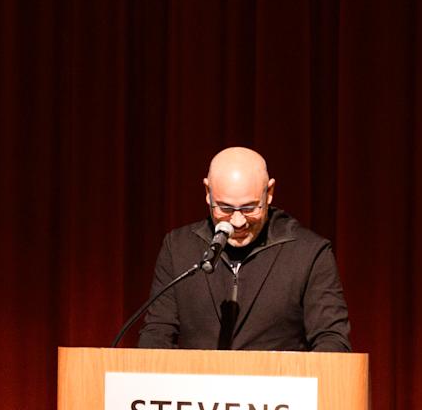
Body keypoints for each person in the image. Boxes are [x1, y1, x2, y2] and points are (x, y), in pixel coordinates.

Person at [138, 146, 350, 352]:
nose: (237, 222)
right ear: (207, 192)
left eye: (249, 208)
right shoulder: (178, 248)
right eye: (225, 208)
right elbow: (157, 334)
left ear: (269, 193)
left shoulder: (309, 253)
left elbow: (332, 341)